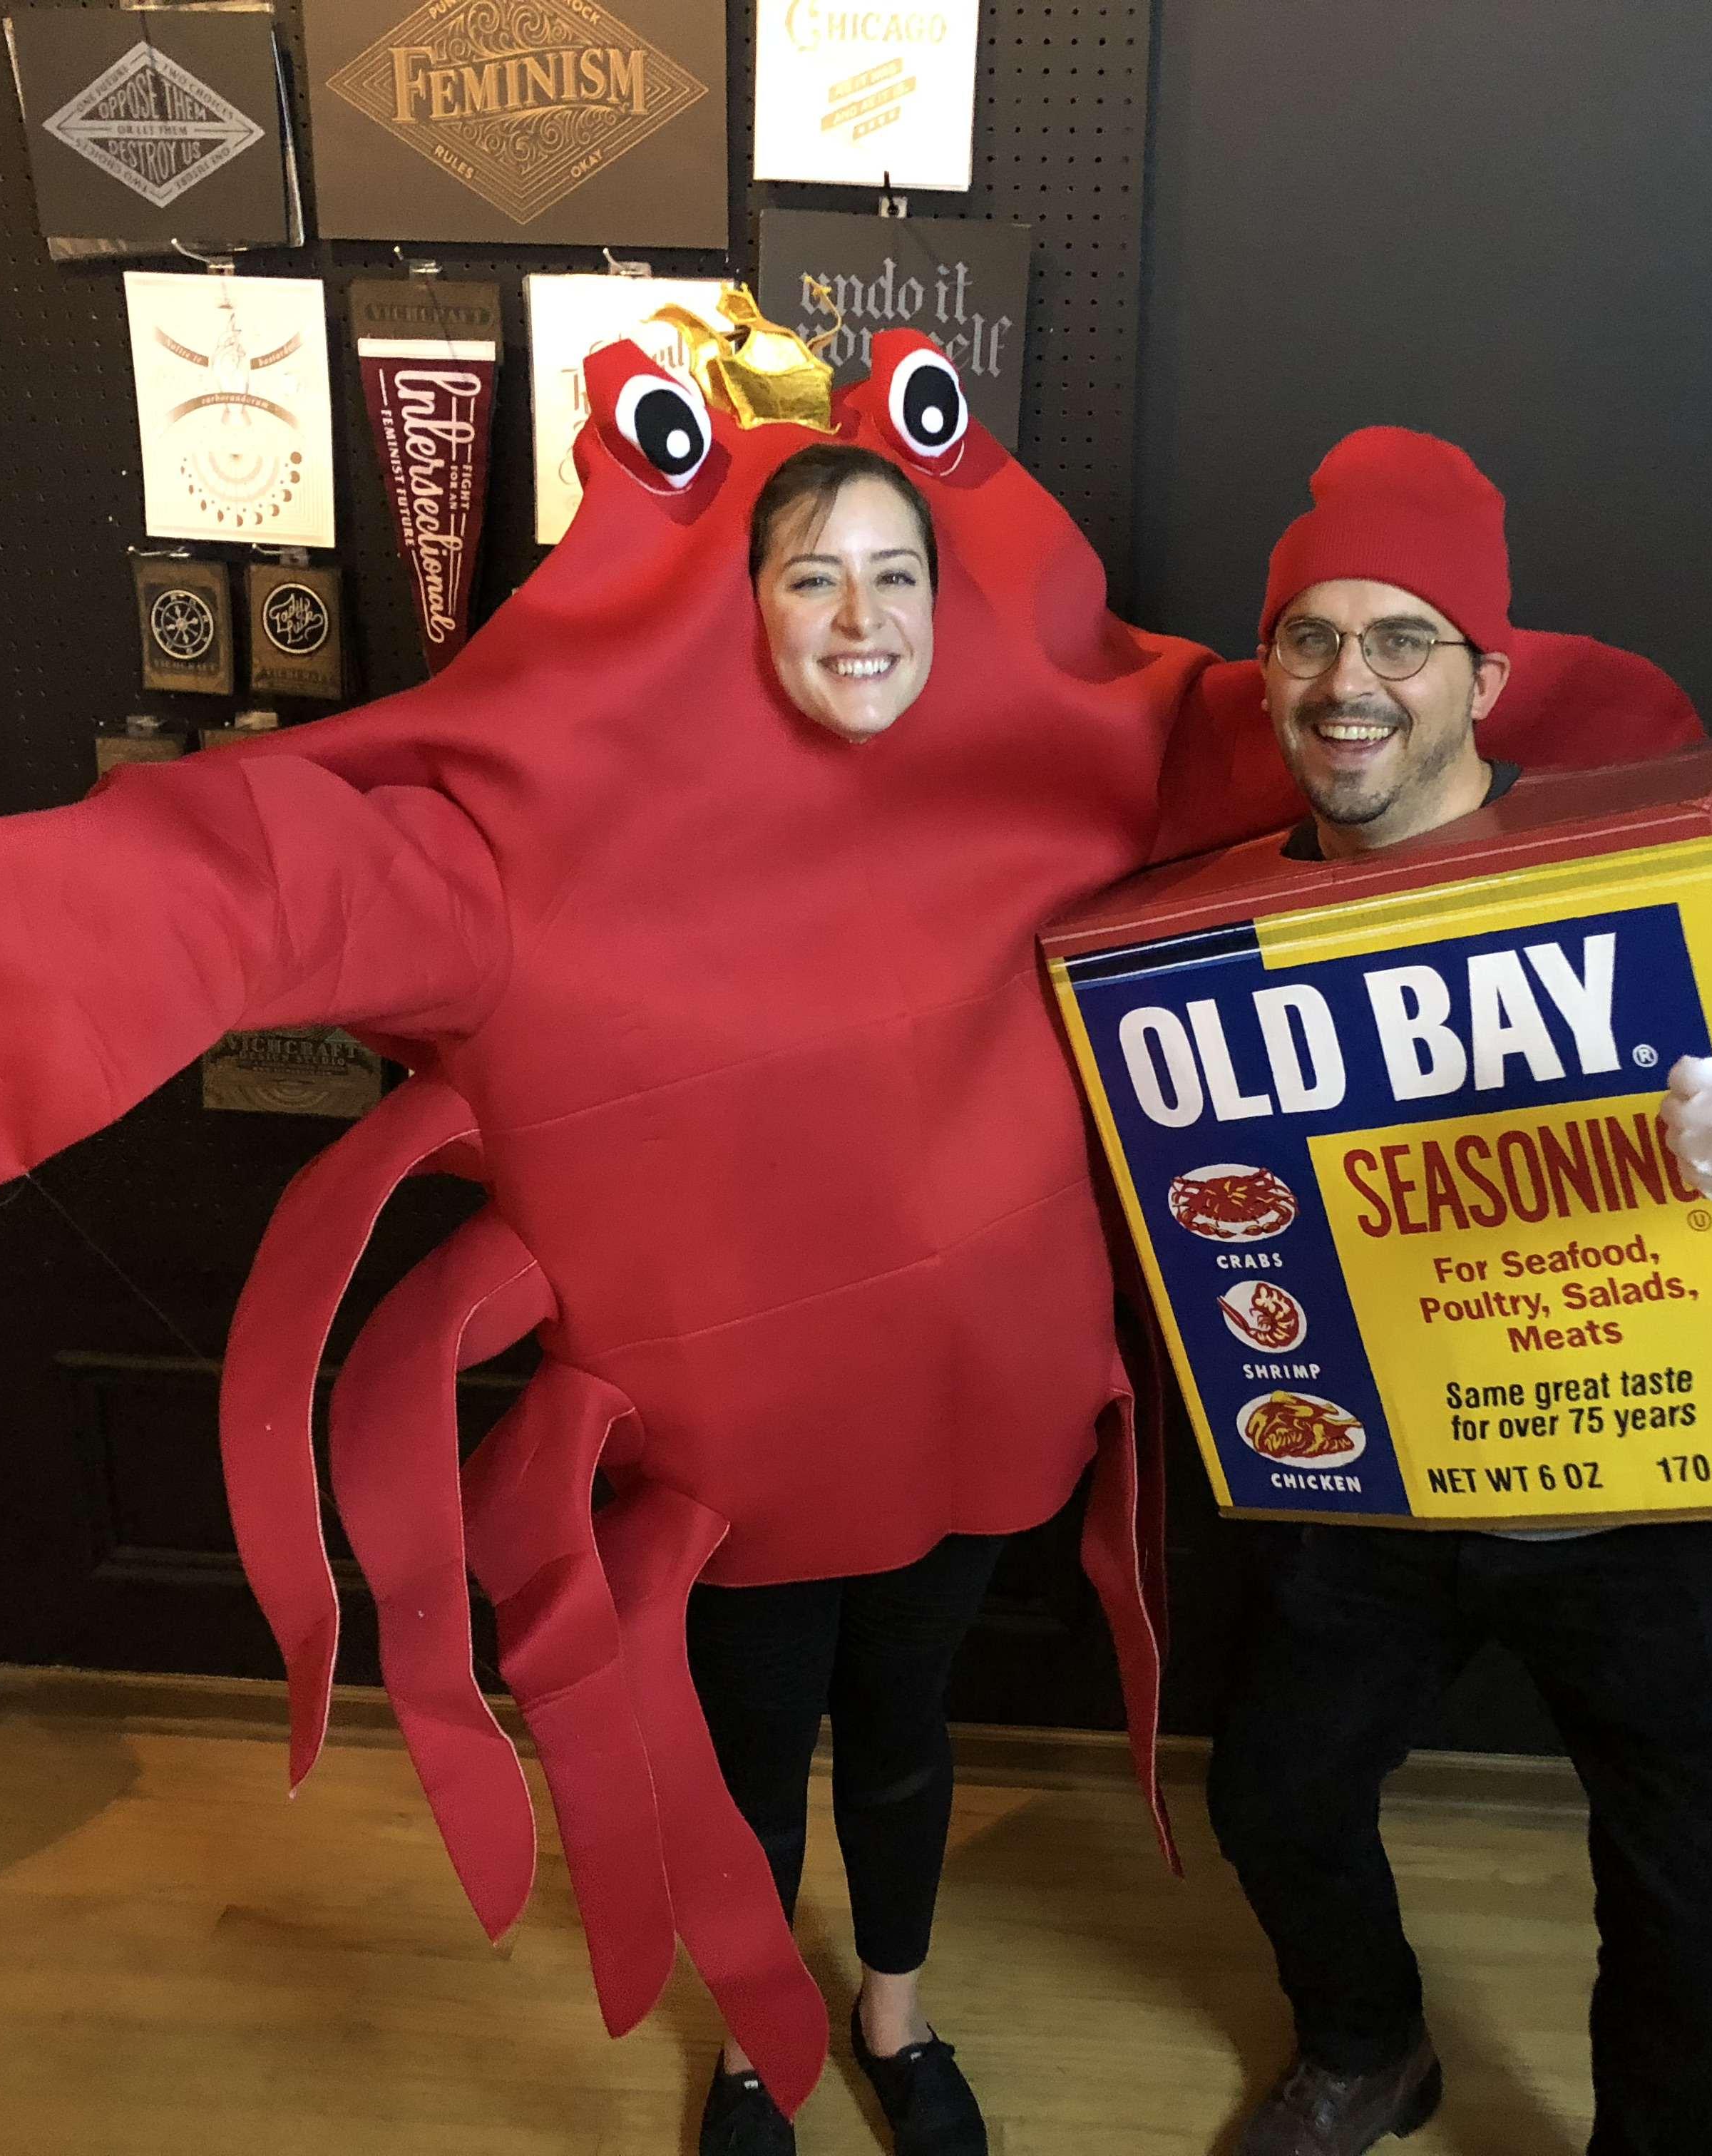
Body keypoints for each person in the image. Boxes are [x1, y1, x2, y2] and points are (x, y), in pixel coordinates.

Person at [1204, 426, 1712, 2156]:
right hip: (1391, 1499)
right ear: (1268, 669)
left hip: (1663, 1500)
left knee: (1696, 1893)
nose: (1350, 682)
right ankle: (1368, 2048)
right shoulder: (1214, 931)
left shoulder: (1656, 863)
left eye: (1401, 639)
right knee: (1273, 1790)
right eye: (1310, 638)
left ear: (1486, 677)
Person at [692, 443, 992, 2156]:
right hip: (745, 1405)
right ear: (753, 610)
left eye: (896, 573)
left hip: (956, 1390)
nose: (863, 614)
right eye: (815, 575)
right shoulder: (669, 833)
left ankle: (894, 2005)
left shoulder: (1025, 813)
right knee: (749, 1742)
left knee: (899, 1718)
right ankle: (755, 2038)